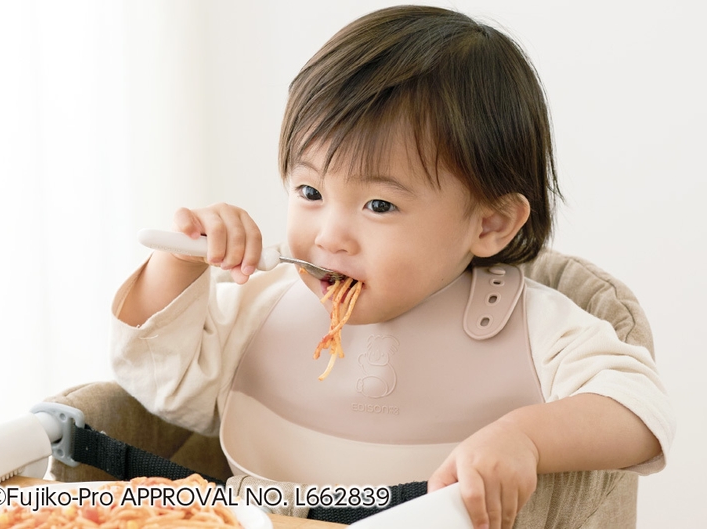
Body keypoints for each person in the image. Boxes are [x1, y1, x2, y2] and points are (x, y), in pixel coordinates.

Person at [110, 5, 674, 528]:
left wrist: (524, 437)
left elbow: (641, 411)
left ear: (490, 224)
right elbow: (159, 381)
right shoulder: (266, 303)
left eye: (379, 205)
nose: (329, 236)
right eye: (310, 192)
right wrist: (179, 262)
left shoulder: (533, 324)